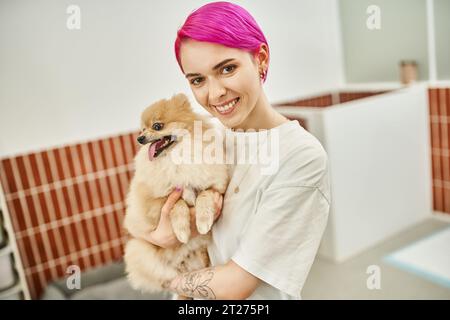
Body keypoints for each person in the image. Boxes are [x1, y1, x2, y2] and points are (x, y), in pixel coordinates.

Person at [146, 1, 331, 300]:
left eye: (227, 69)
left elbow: (236, 284)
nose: (215, 93)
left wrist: (158, 274)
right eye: (198, 80)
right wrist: (161, 234)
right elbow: (151, 222)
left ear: (260, 59)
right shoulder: (206, 137)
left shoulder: (300, 156)